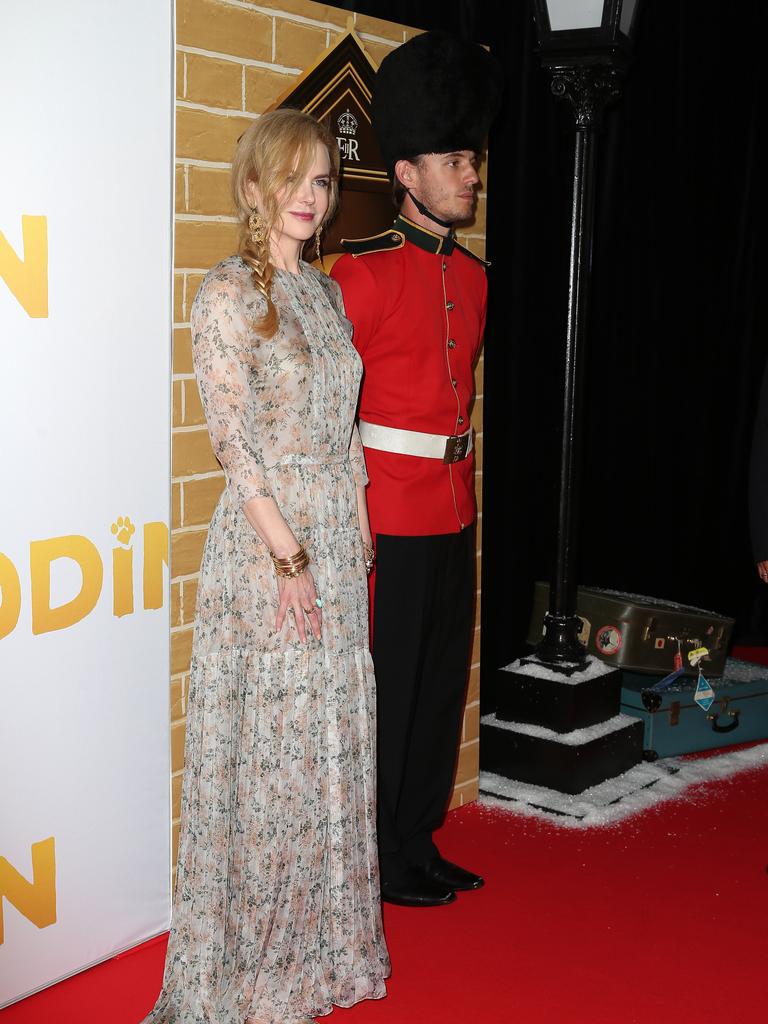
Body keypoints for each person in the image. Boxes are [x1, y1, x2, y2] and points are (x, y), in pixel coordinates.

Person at [145, 108, 389, 1024]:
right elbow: (233, 442)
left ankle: (323, 951)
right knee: (270, 764)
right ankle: (250, 966)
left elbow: (346, 429)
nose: (310, 196)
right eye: (292, 178)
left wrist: (356, 528)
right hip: (267, 545)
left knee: (327, 744)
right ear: (254, 188)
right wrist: (289, 556)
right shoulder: (223, 294)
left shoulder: (326, 297)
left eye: (323, 180)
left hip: (333, 530)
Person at [331, 32, 503, 909]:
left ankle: (416, 839)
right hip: (386, 513)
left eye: (472, 157)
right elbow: (328, 417)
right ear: (406, 172)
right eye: (453, 159)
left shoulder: (474, 280)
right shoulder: (354, 275)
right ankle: (376, 855)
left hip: (453, 506)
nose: (471, 174)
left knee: (440, 686)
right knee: (389, 693)